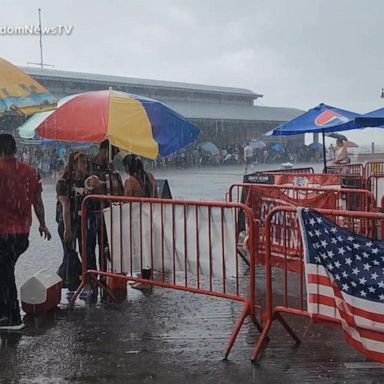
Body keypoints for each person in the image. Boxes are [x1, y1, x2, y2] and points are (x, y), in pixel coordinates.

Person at [0, 134, 51, 330]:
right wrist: (42, 223)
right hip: (22, 234)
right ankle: (7, 313)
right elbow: (37, 202)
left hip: (3, 233)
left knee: (4, 272)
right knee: (5, 270)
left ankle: (10, 316)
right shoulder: (30, 171)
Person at [123, 154, 158, 290]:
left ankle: (145, 281)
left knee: (142, 249)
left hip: (137, 218)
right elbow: (156, 194)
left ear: (128, 167)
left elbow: (126, 202)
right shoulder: (150, 176)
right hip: (151, 215)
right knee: (148, 247)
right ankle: (147, 278)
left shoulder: (130, 181)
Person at [56, 151, 89, 293]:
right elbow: (66, 207)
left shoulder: (84, 181)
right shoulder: (63, 182)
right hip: (66, 222)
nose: (85, 165)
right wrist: (67, 228)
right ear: (74, 165)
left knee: (78, 251)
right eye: (82, 162)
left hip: (80, 221)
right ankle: (68, 280)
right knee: (69, 252)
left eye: (85, 162)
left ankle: (71, 280)